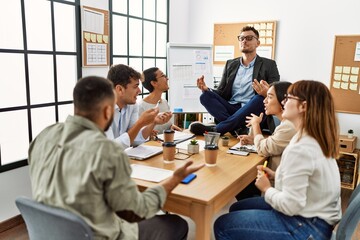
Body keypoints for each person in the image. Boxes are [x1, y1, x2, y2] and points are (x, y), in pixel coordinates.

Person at [28, 76, 204, 240]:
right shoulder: (106, 150)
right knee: (177, 224)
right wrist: (174, 179)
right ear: (107, 111)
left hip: (51, 231)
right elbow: (136, 211)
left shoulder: (43, 136)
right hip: (95, 235)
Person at [214, 80, 342, 240]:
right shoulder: (311, 137)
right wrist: (278, 176)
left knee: (222, 225)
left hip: (307, 227)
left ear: (303, 106)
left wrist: (267, 189)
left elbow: (290, 205)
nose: (284, 102)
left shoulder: (301, 147)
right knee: (237, 208)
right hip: (317, 218)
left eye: (288, 98)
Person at [190, 26, 280, 136]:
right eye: (241, 38)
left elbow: (276, 93)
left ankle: (218, 129)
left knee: (259, 99)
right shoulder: (230, 64)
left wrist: (265, 93)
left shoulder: (269, 64)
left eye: (249, 38)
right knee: (205, 96)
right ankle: (236, 128)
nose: (244, 41)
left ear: (258, 43)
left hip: (252, 110)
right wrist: (207, 89)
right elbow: (222, 92)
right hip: (231, 108)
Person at [233, 81, 297, 201]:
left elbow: (263, 149)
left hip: (281, 192)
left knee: (241, 185)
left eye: (270, 97)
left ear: (284, 101)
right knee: (243, 187)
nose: (264, 101)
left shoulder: (289, 126)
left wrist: (256, 125)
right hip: (279, 182)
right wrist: (254, 140)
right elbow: (275, 142)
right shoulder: (286, 124)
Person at [106, 64, 172, 149]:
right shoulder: (101, 110)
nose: (139, 91)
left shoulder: (132, 106)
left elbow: (135, 139)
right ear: (120, 89)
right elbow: (110, 148)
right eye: (135, 86)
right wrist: (140, 123)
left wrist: (153, 122)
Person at [139, 67, 182, 134]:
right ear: (154, 83)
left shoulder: (164, 102)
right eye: (163, 76)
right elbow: (139, 134)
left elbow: (167, 125)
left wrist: (172, 127)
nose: (167, 78)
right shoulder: (141, 106)